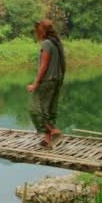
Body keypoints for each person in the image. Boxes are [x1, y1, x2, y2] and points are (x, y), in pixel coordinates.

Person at [27, 19, 66, 148]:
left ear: (42, 31)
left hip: (47, 81)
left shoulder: (46, 44)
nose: (36, 33)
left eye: (37, 31)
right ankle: (47, 140)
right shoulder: (57, 43)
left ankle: (55, 132)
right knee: (48, 109)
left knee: (35, 109)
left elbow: (44, 65)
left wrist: (35, 83)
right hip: (56, 80)